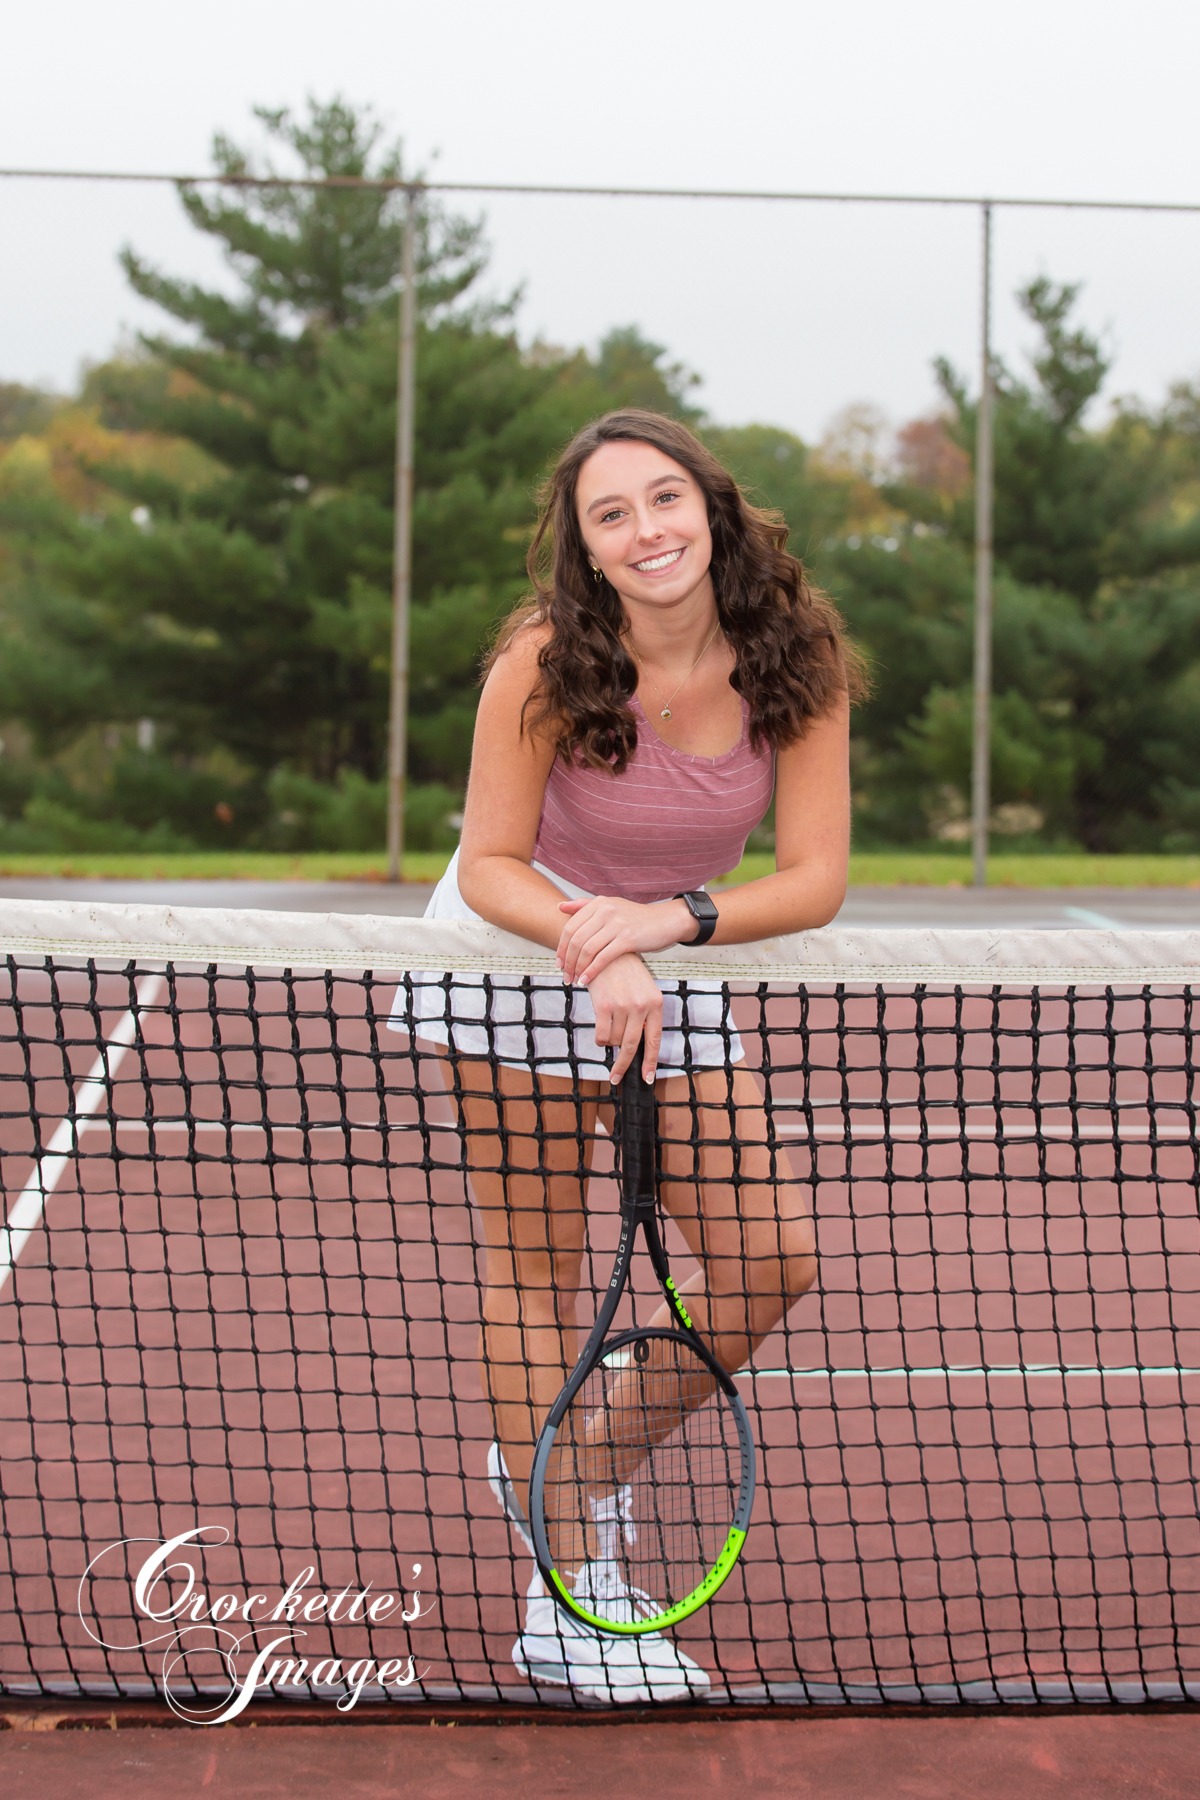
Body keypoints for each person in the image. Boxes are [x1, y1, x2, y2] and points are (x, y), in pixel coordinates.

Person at [406, 407, 864, 1702]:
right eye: (612, 516)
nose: (646, 530)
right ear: (588, 553)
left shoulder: (800, 653)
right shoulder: (545, 664)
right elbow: (493, 860)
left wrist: (663, 929)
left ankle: (576, 1466)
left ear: (712, 509)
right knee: (539, 1269)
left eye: (664, 499)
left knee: (774, 1258)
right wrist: (595, 944)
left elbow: (817, 879)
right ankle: (566, 1593)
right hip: (510, 948)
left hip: (666, 948)